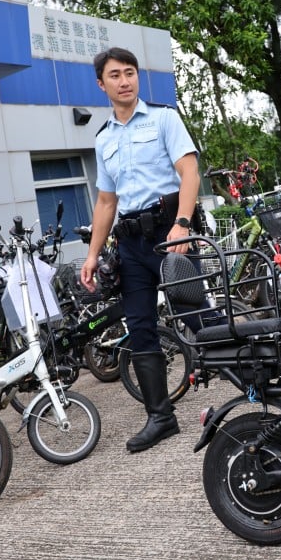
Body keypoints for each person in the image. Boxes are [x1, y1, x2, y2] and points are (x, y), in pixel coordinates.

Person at [80, 47, 200, 453]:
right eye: (115, 75)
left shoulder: (164, 117)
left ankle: (257, 385)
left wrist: (182, 224)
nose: (124, 80)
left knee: (196, 314)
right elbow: (106, 203)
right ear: (102, 84)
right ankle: (161, 417)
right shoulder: (104, 138)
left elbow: (189, 173)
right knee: (141, 328)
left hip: (170, 232)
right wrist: (93, 254)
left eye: (130, 73)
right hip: (129, 244)